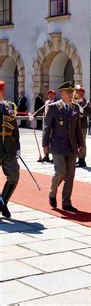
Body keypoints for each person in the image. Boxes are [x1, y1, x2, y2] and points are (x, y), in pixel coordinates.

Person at [42, 81, 85, 212]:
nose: (71, 94)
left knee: (70, 176)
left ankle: (66, 202)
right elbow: (46, 127)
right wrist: (45, 145)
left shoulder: (75, 107)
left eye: (72, 92)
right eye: (68, 92)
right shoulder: (54, 107)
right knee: (60, 172)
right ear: (62, 93)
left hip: (71, 146)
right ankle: (52, 191)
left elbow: (77, 128)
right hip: (58, 146)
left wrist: (81, 143)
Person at [0, 81, 20, 218]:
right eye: (2, 89)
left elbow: (14, 127)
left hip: (9, 146)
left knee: (14, 176)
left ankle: (3, 202)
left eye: (3, 89)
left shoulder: (10, 106)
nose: (4, 91)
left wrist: (18, 146)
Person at [74, 86, 91, 168]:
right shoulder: (73, 102)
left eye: (80, 92)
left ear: (83, 93)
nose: (78, 94)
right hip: (74, 125)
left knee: (82, 142)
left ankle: (82, 160)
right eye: (77, 92)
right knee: (74, 142)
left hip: (82, 125)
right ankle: (76, 158)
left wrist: (82, 111)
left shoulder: (86, 103)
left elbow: (89, 114)